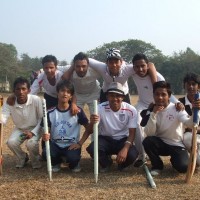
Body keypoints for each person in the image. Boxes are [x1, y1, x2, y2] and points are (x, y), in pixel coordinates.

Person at [141, 81, 195, 176]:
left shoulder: (177, 108)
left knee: (183, 168)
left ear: (169, 96)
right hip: (160, 143)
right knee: (147, 141)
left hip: (176, 144)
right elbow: (149, 133)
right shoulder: (151, 110)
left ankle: (176, 159)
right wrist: (154, 113)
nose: (160, 97)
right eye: (157, 94)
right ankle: (157, 166)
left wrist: (195, 111)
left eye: (163, 94)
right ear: (153, 95)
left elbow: (190, 124)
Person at [42, 80, 93, 172]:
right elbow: (46, 129)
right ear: (57, 93)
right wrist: (45, 135)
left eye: (68, 92)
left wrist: (80, 143)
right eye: (62, 91)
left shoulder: (78, 111)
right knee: (46, 153)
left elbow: (89, 129)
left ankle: (73, 163)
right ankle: (56, 162)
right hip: (56, 144)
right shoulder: (50, 112)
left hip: (71, 145)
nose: (65, 94)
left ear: (71, 96)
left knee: (72, 158)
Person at [86, 82, 139, 172]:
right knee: (93, 148)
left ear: (123, 97)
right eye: (111, 95)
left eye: (118, 96)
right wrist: (92, 123)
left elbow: (132, 133)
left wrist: (125, 149)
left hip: (123, 139)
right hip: (105, 139)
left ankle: (122, 165)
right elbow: (90, 130)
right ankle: (106, 163)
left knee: (133, 154)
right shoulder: (99, 108)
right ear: (107, 97)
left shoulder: (131, 110)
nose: (115, 99)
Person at [0, 77, 43, 169]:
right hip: (20, 130)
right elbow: (3, 118)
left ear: (29, 90)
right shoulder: (9, 102)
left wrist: (33, 132)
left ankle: (35, 161)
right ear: (14, 91)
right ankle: (23, 157)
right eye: (18, 89)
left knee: (31, 143)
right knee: (11, 142)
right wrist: (1, 118)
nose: (21, 92)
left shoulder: (36, 100)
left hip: (36, 128)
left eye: (24, 89)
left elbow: (41, 119)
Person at [88, 48, 157, 104]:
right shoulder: (102, 67)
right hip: (106, 92)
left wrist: (155, 86)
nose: (114, 65)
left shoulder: (127, 69)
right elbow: (86, 60)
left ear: (121, 62)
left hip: (123, 93)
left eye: (116, 62)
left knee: (127, 115)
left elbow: (150, 65)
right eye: (111, 62)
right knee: (102, 114)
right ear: (106, 63)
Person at [178, 72, 200, 167]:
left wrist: (197, 129)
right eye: (188, 84)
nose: (191, 87)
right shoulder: (179, 103)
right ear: (184, 86)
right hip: (188, 136)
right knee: (187, 138)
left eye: (193, 84)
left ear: (198, 86)